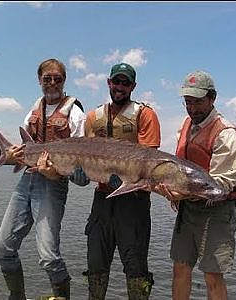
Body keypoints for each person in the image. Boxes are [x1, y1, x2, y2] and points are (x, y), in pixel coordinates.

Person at [0, 58, 86, 300]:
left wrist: (53, 172)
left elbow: (81, 162)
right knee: (2, 248)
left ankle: (62, 296)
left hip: (53, 184)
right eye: (47, 78)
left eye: (58, 78)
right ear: (39, 80)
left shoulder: (75, 114)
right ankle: (17, 296)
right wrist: (14, 156)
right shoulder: (33, 111)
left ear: (64, 81)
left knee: (48, 256)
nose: (52, 82)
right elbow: (26, 149)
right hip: (28, 179)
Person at [73, 62, 161, 299]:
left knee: (135, 266)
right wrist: (78, 175)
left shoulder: (145, 114)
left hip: (134, 201)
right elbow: (84, 156)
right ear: (108, 83)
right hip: (102, 199)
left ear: (133, 86)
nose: (120, 87)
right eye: (116, 81)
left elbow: (148, 162)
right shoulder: (93, 116)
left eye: (125, 82)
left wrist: (123, 179)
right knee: (96, 262)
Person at [156, 70, 236, 300]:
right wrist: (169, 190)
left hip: (216, 211)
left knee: (212, 275)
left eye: (197, 102)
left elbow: (222, 184)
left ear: (212, 98)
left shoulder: (225, 132)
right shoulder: (186, 125)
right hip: (188, 210)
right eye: (187, 102)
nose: (192, 108)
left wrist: (181, 192)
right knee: (180, 268)